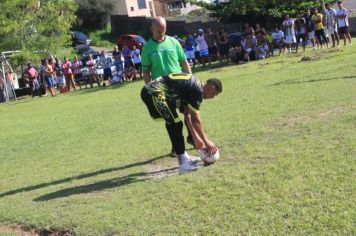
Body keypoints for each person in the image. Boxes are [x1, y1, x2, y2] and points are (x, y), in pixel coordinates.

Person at [141, 73, 222, 173]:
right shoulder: (197, 90)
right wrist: (206, 141)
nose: (212, 97)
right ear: (211, 87)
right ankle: (183, 163)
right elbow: (195, 120)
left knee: (174, 123)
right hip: (153, 93)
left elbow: (187, 114)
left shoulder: (193, 87)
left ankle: (183, 156)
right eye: (214, 94)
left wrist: (196, 137)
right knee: (175, 124)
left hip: (154, 92)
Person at [141, 16, 193, 158]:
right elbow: (145, 70)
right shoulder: (147, 48)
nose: (161, 34)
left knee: (188, 112)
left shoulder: (174, 42)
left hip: (180, 85)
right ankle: (176, 147)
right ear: (152, 29)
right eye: (158, 31)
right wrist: (148, 85)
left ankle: (192, 137)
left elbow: (184, 62)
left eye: (163, 31)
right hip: (162, 88)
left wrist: (190, 79)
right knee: (171, 118)